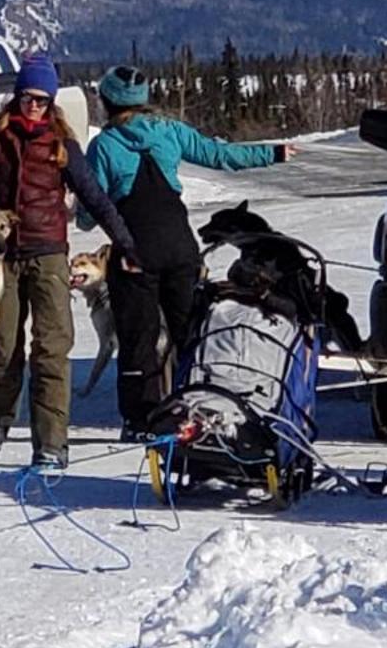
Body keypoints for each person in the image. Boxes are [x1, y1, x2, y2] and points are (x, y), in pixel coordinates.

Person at [82, 65, 294, 436]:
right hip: (181, 246)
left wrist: (78, 213)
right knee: (189, 331)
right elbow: (219, 155)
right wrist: (273, 153)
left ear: (107, 102)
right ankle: (200, 406)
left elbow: (89, 209)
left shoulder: (104, 146)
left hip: (135, 251)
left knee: (138, 336)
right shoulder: (169, 132)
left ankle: (141, 418)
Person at [0, 54, 136, 472]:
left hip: (49, 254)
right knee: (3, 349)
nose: (33, 106)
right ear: (17, 97)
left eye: (41, 99)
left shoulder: (62, 143)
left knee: (52, 349)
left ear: (51, 101)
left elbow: (94, 196)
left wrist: (125, 243)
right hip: (3, 256)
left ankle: (51, 444)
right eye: (27, 97)